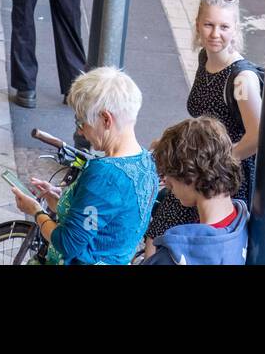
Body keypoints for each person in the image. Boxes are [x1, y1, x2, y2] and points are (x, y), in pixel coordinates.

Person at [143, 0, 262, 249]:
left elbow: (257, 136)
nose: (215, 34)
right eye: (208, 25)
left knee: (182, 233)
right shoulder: (204, 58)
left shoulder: (241, 79)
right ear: (197, 24)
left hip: (223, 176)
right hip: (201, 164)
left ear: (236, 29)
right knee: (161, 226)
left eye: (224, 26)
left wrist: (219, 161)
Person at [9, 67, 159, 264]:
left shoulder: (105, 174)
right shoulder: (147, 164)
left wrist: (36, 211)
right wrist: (60, 200)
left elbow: (68, 243)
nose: (80, 131)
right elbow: (102, 221)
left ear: (106, 119)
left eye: (82, 122)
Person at [142, 116, 249, 265]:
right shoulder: (242, 219)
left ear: (190, 176)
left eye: (168, 173)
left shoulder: (174, 256)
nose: (165, 181)